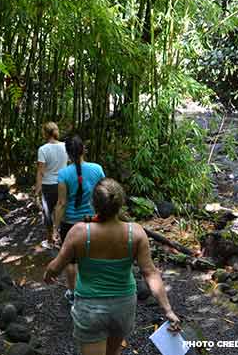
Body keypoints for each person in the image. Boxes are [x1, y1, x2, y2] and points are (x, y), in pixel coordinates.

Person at [44, 178, 181, 355]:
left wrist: (48, 274)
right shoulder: (135, 232)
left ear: (93, 204)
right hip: (123, 307)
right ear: (121, 203)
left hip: (90, 307)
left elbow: (56, 266)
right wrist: (168, 310)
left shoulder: (79, 232)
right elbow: (150, 273)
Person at [53, 135, 105, 304]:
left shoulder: (63, 174)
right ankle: (94, 290)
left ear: (68, 153)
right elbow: (104, 195)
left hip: (70, 223)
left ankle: (73, 292)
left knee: (70, 260)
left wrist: (55, 228)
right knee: (93, 256)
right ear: (83, 149)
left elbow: (61, 203)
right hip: (93, 221)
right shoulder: (97, 169)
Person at [33, 122, 68, 249]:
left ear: (45, 133)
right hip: (63, 183)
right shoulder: (65, 146)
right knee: (62, 211)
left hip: (48, 185)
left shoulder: (43, 149)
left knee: (48, 213)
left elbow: (41, 172)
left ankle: (50, 240)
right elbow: (68, 165)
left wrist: (37, 190)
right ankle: (62, 239)